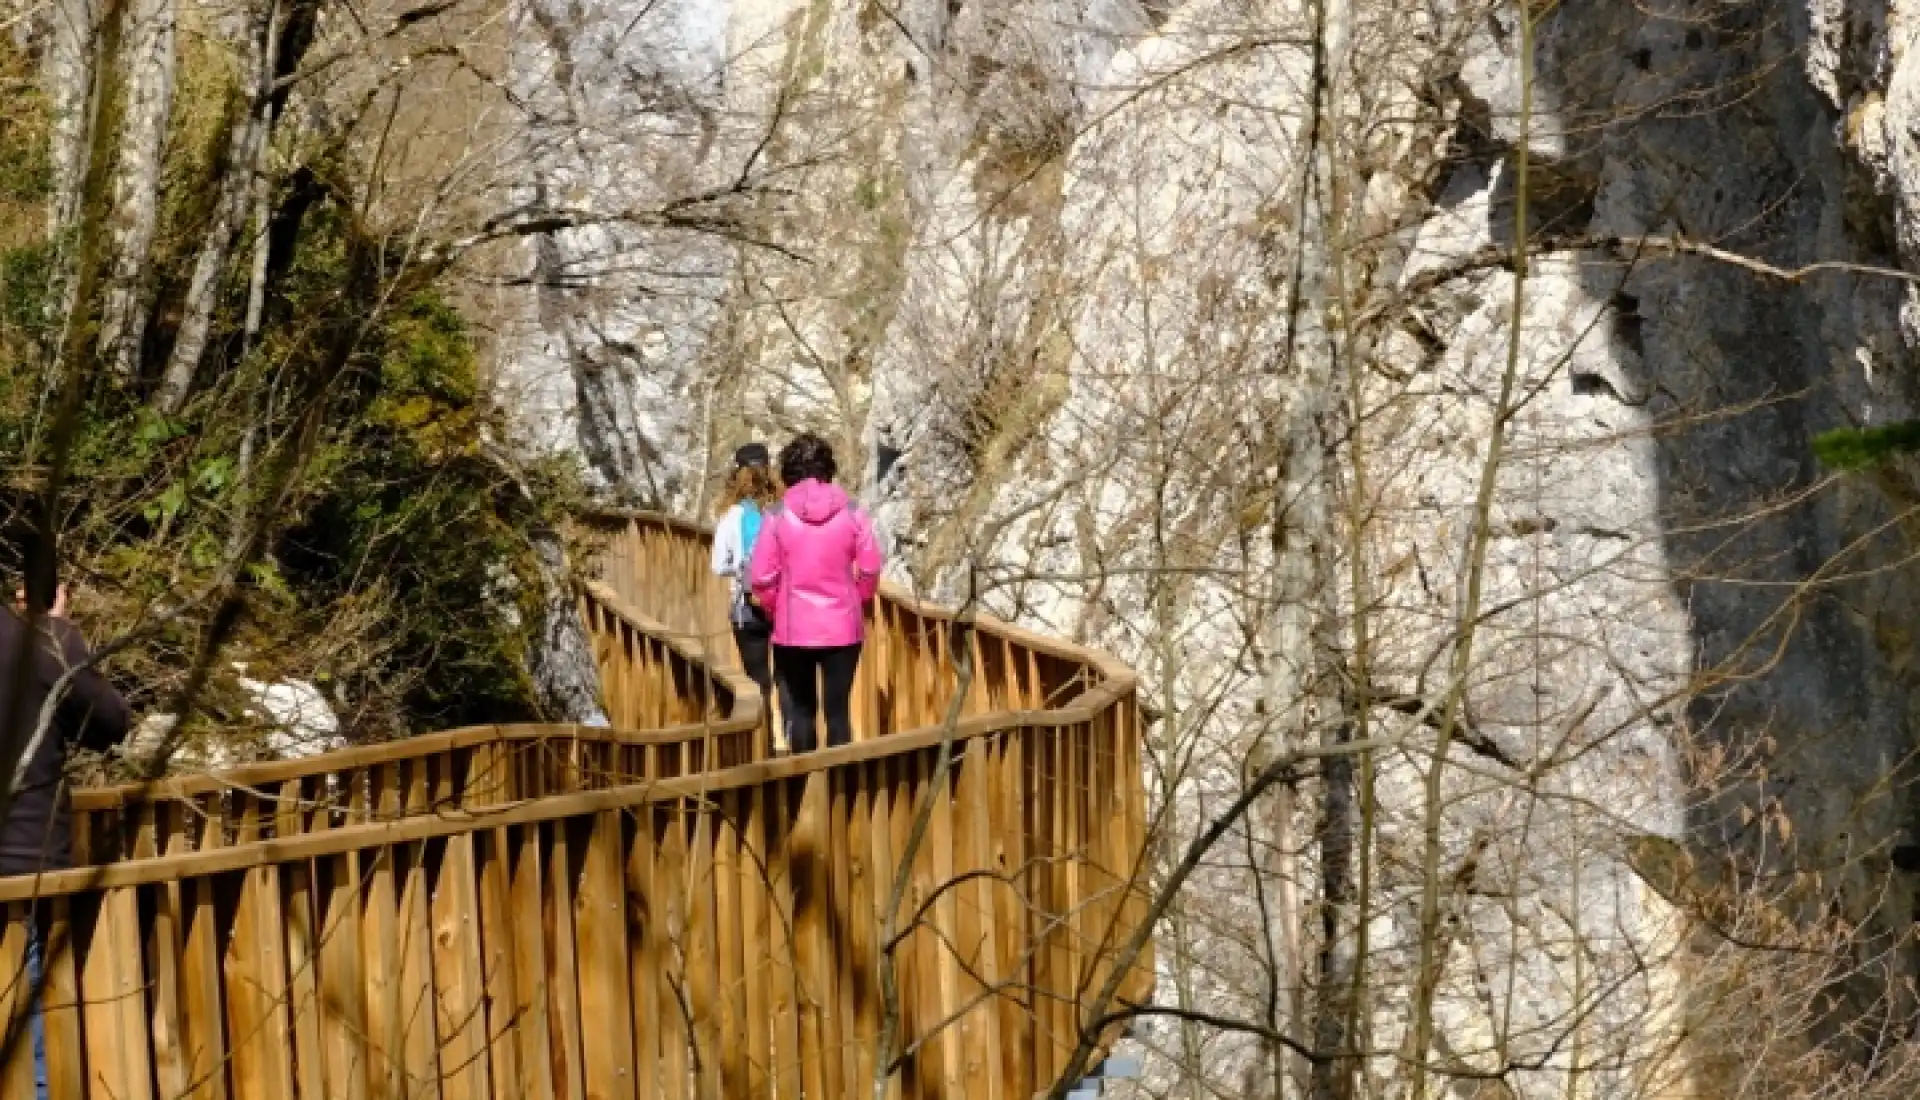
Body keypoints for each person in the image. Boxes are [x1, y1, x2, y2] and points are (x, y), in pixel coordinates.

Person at [0, 572, 131, 1097]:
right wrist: (57, 632)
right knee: (32, 1051)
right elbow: (108, 724)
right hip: (21, 872)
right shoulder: (31, 642)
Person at [749, 433, 883, 753]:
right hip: (843, 627)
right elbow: (870, 569)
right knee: (838, 713)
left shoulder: (776, 515)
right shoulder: (853, 511)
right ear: (829, 469)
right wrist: (857, 599)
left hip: (793, 629)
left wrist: (775, 607)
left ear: (788, 472)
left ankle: (807, 793)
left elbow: (761, 578)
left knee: (801, 711)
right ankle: (840, 794)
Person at [709, 443, 779, 713]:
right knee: (787, 675)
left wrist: (739, 570)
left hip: (747, 605)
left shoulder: (732, 515)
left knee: (757, 676)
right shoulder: (780, 510)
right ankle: (797, 737)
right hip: (783, 602)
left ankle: (765, 743)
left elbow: (718, 566)